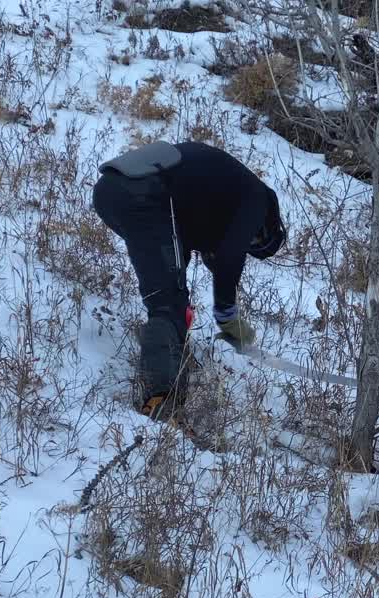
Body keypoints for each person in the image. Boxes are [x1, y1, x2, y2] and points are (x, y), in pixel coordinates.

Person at [92, 141, 285, 420]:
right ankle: (161, 403)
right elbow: (230, 257)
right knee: (167, 305)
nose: (247, 240)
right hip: (143, 196)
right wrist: (228, 316)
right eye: (252, 240)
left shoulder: (221, 193)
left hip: (112, 191)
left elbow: (198, 242)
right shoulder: (256, 199)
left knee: (173, 293)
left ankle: (170, 360)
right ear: (265, 227)